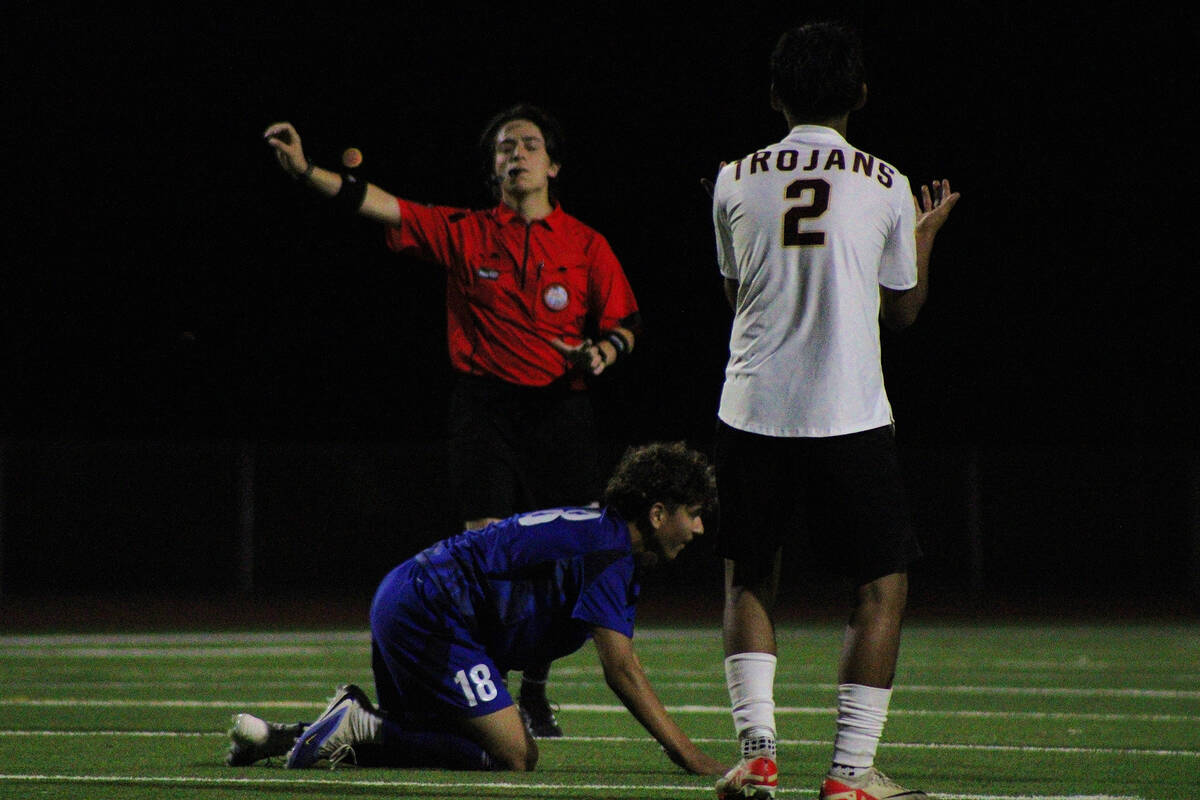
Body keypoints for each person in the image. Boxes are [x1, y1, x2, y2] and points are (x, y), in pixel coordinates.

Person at [263, 105, 642, 736]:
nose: (516, 155)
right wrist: (306, 172)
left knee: (568, 558)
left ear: (553, 164)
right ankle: (492, 690)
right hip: (484, 408)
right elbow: (382, 205)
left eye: (529, 145)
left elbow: (625, 322)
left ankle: (535, 689)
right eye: (504, 148)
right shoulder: (466, 231)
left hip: (561, 409)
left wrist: (604, 351)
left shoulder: (586, 243)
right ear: (493, 168)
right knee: (486, 554)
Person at [708, 22, 960, 800]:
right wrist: (924, 236)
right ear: (860, 93)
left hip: (752, 405)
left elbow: (736, 294)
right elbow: (902, 312)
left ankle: (757, 755)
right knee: (881, 587)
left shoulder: (733, 177)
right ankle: (850, 772)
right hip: (848, 410)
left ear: (774, 95)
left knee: (750, 578)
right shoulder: (885, 182)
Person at [225, 441, 726, 776]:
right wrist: (689, 755)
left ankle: (285, 738)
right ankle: (358, 723)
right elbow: (622, 669)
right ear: (657, 514)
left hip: (408, 593)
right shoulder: (611, 550)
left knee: (431, 738)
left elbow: (530, 602)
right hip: (432, 611)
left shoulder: (599, 532)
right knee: (515, 755)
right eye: (694, 514)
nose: (699, 528)